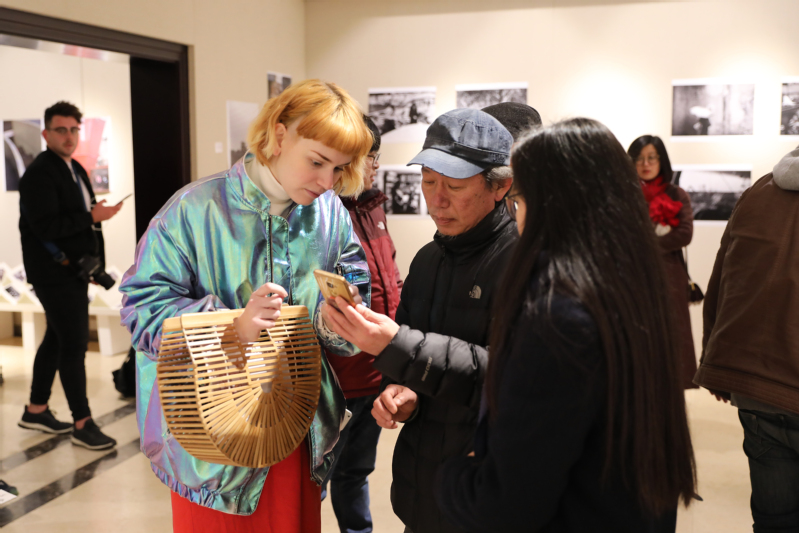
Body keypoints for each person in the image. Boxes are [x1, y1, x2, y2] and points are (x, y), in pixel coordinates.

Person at [119, 80, 372, 533]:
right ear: (279, 135)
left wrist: (339, 320)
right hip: (212, 441)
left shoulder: (331, 214)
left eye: (338, 168)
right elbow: (141, 310)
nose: (326, 182)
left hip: (298, 427)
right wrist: (230, 326)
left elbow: (353, 289)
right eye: (316, 162)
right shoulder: (194, 210)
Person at [435, 118, 698, 532]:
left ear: (550, 204)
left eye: (519, 200)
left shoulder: (558, 320)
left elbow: (509, 503)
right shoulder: (631, 293)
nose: (516, 217)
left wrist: (453, 476)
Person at [321, 105, 541, 533]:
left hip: (490, 490)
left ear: (501, 186)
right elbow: (412, 361)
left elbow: (513, 376)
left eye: (454, 186)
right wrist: (399, 392)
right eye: (428, 181)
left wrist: (395, 347)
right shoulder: (426, 261)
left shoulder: (525, 262)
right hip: (423, 488)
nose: (436, 200)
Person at [695, 146, 799, 531]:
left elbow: (723, 279)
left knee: (775, 522)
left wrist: (716, 362)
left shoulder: (760, 192)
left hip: (759, 391)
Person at [17, 101, 122, 450]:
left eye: (74, 130)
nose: (69, 136)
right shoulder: (39, 173)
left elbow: (84, 220)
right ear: (46, 133)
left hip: (73, 270)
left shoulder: (74, 167)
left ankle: (36, 409)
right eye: (61, 130)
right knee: (74, 344)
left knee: (57, 338)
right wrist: (93, 216)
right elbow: (46, 226)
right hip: (52, 273)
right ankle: (82, 422)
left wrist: (94, 263)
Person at [320, 115, 403, 533]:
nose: (375, 165)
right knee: (316, 478)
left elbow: (391, 278)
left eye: (376, 155)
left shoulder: (373, 209)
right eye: (369, 156)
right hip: (335, 377)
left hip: (375, 370)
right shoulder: (321, 214)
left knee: (355, 472)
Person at [628, 135, 697, 390]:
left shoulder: (676, 194)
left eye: (651, 157)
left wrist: (643, 246)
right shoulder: (625, 194)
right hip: (632, 277)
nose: (645, 164)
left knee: (671, 337)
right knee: (636, 336)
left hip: (669, 278)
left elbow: (684, 234)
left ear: (661, 160)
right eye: (639, 158)